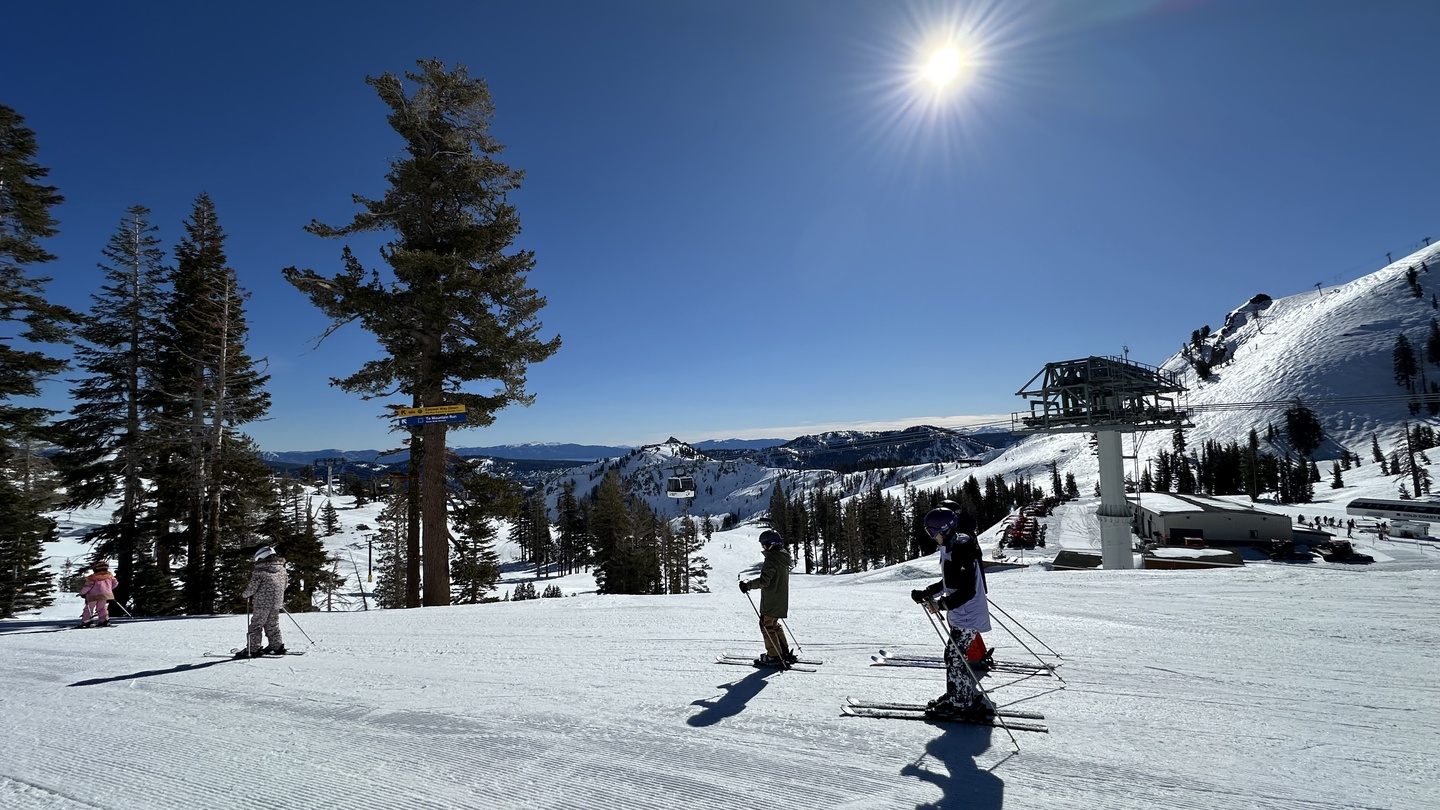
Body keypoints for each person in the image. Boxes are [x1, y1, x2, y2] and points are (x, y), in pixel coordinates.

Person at [911, 507, 995, 721]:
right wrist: (928, 592)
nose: (933, 537)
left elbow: (967, 590)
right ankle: (960, 694)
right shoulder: (952, 545)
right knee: (956, 656)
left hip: (968, 614)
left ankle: (960, 703)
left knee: (955, 657)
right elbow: (951, 581)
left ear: (943, 529)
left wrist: (942, 605)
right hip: (963, 613)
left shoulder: (959, 548)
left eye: (932, 532)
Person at [940, 499, 990, 667]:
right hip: (974, 584)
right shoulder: (965, 531)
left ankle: (973, 658)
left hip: (966, 587)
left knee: (961, 623)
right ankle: (980, 653)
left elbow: (960, 569)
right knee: (969, 624)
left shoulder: (958, 537)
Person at [739, 529, 795, 668]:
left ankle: (774, 656)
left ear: (771, 544)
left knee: (766, 625)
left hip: (771, 600)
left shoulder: (772, 559)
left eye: (764, 545)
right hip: (780, 599)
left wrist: (748, 585)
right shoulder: (783, 557)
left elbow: (764, 581)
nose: (763, 547)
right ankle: (783, 652)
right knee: (774, 624)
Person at [235, 546, 288, 658]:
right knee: (273, 624)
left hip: (262, 603)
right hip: (277, 602)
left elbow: (252, 588)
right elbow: (285, 585)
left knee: (256, 625)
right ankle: (276, 646)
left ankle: (253, 649)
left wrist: (245, 595)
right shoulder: (282, 569)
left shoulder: (260, 571)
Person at [77, 561, 118, 628]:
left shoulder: (92, 577)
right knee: (102, 608)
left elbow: (88, 586)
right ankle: (104, 621)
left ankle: (86, 621)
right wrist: (108, 589)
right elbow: (115, 583)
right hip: (105, 595)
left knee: (89, 608)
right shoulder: (110, 576)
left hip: (93, 595)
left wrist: (82, 593)